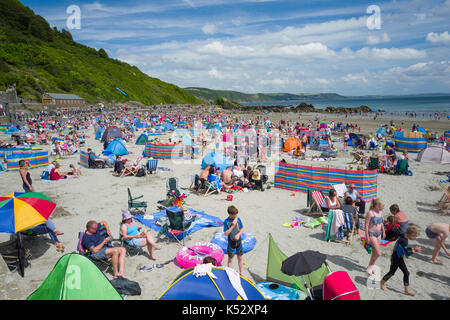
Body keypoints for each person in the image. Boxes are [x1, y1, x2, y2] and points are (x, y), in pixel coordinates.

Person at [380, 224, 422, 296]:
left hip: (399, 257)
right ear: (411, 234)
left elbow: (403, 248)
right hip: (396, 258)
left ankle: (407, 290)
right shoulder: (404, 240)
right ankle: (382, 283)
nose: (414, 238)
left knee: (406, 273)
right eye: (414, 236)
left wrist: (412, 249)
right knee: (392, 272)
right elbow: (407, 253)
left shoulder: (403, 235)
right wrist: (415, 250)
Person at [365, 198, 386, 274]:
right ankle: (370, 267)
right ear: (377, 206)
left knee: (374, 253)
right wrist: (367, 237)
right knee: (378, 253)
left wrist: (383, 231)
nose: (384, 207)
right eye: (382, 205)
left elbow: (381, 223)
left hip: (379, 234)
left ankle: (370, 267)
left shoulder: (380, 212)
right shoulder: (370, 213)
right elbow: (366, 225)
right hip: (372, 234)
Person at [223, 205, 244, 275]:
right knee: (230, 260)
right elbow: (226, 233)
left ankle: (241, 273)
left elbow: (242, 228)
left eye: (236, 214)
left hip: (239, 242)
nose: (236, 216)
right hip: (231, 243)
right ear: (230, 214)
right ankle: (230, 274)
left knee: (240, 258)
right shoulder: (226, 221)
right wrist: (232, 226)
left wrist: (238, 234)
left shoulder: (238, 219)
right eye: (234, 214)